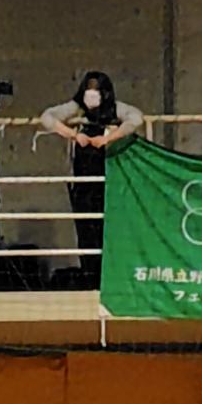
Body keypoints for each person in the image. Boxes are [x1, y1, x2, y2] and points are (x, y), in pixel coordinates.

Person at [39, 71, 143, 285]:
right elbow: (47, 117)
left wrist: (109, 137)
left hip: (109, 179)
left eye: (96, 89)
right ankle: (90, 276)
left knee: (109, 226)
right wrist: (74, 135)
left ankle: (111, 277)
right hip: (83, 180)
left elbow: (136, 118)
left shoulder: (116, 108)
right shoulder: (77, 108)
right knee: (85, 228)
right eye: (88, 88)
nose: (91, 94)